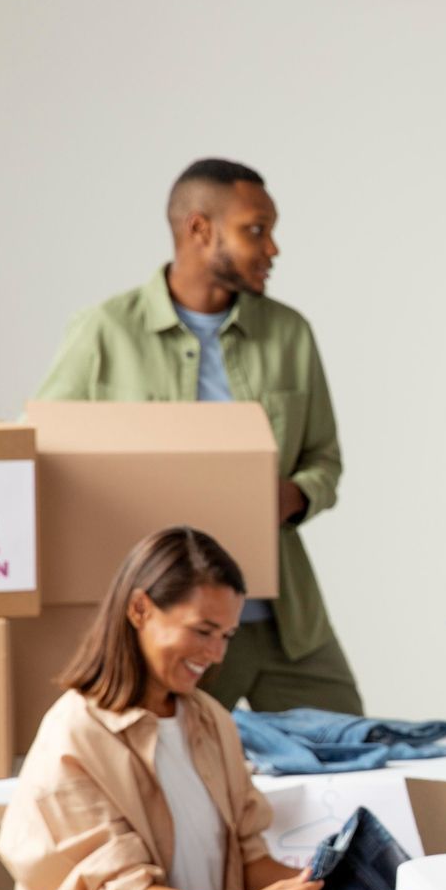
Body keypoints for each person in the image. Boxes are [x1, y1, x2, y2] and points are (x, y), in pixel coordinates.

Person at [34, 158, 361, 714]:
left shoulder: (288, 333)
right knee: (169, 780)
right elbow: (45, 454)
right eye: (255, 230)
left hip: (283, 620)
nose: (273, 248)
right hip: (168, 629)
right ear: (199, 229)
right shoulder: (106, 331)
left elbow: (324, 458)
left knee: (355, 754)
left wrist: (296, 494)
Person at [0, 527, 322, 890]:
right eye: (203, 631)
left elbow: (248, 858)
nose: (216, 654)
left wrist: (322, 885)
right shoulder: (73, 736)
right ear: (139, 609)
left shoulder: (210, 721)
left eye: (226, 636)